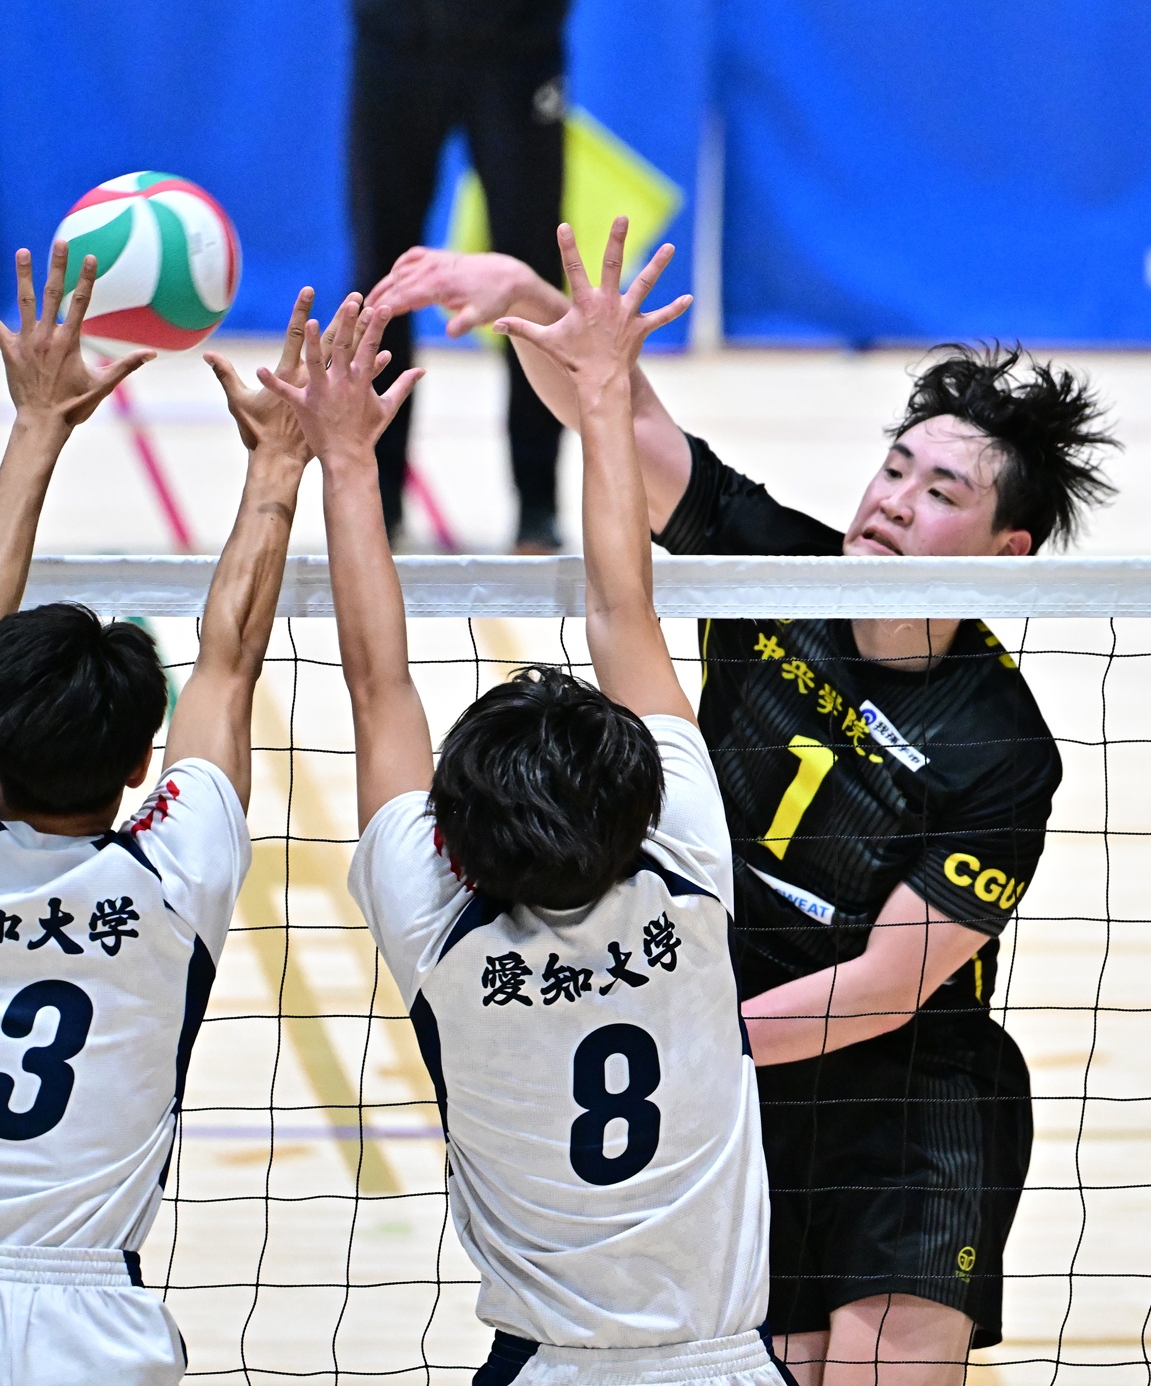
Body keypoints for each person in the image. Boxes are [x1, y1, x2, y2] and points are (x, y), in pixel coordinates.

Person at [368, 244, 1119, 1386]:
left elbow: (886, 985)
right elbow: (623, 416)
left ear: (1004, 551)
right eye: (896, 468)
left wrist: (688, 1040)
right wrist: (526, 299)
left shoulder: (999, 745)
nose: (894, 501)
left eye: (941, 493)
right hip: (748, 1071)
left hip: (908, 1094)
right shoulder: (777, 569)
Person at [272, 221, 776, 1386]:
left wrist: (344, 462)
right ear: (640, 803)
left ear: (451, 842)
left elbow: (378, 682)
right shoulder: (691, 870)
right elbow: (621, 612)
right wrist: (601, 391)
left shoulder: (437, 926)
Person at [0, 245, 336, 1385]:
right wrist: (278, 463)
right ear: (141, 767)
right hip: (91, 1333)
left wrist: (37, 424)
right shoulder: (170, 880)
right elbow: (228, 665)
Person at [335, 0, 612, 552]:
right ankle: (375, 497)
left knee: (530, 276)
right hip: (394, 35)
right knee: (382, 275)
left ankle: (536, 504)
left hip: (516, 50)